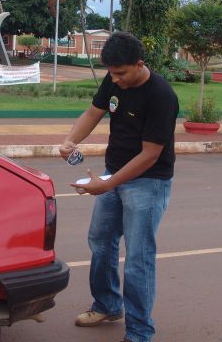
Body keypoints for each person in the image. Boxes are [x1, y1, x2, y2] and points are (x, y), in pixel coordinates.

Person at [59, 31, 179, 342]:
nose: (115, 79)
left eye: (121, 73)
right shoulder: (114, 79)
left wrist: (107, 184)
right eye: (111, 73)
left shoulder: (161, 96)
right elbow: (93, 112)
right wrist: (71, 140)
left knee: (138, 258)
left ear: (140, 64)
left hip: (148, 182)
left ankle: (139, 332)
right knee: (100, 241)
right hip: (113, 173)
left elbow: (150, 155)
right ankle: (107, 305)